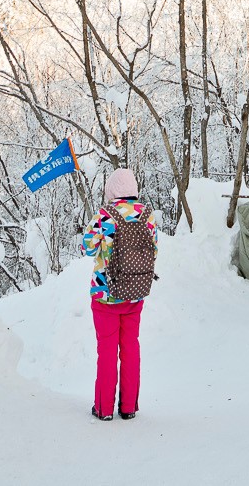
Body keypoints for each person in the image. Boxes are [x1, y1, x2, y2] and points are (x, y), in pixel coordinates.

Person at [81, 167, 157, 422]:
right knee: (130, 348)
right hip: (135, 294)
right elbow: (154, 250)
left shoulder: (105, 215)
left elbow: (88, 248)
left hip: (106, 293)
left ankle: (103, 409)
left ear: (111, 190)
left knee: (107, 351)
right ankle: (128, 407)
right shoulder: (147, 214)